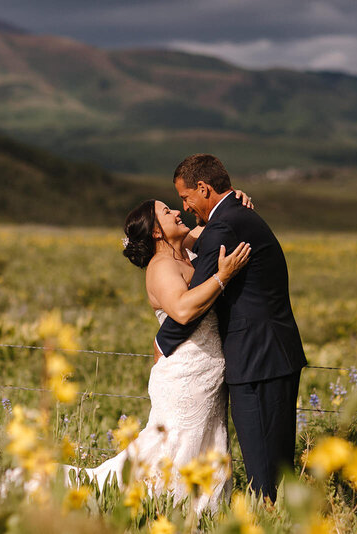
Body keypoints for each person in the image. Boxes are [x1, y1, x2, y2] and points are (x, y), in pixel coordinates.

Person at [65, 194, 253, 513]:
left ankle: (196, 512)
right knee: (175, 445)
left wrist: (237, 199)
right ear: (155, 231)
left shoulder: (185, 251)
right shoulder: (162, 265)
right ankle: (163, 508)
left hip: (206, 373)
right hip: (183, 374)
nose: (177, 212)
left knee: (205, 440)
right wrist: (223, 276)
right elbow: (181, 310)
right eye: (167, 212)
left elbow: (217, 224)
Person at [155, 154, 307, 502]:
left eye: (185, 197)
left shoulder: (226, 225)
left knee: (264, 472)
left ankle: (271, 523)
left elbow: (195, 300)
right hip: (271, 356)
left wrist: (163, 345)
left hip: (257, 361)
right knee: (276, 468)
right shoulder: (236, 216)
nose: (185, 207)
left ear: (204, 188)